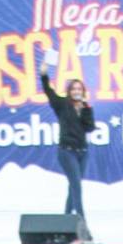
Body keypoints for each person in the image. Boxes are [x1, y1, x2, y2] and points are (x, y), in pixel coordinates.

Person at [40, 50, 96, 232]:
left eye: (80, 89)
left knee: (73, 187)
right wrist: (44, 72)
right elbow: (48, 90)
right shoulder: (62, 104)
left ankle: (64, 224)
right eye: (74, 89)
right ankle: (83, 227)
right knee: (77, 187)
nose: (77, 91)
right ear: (69, 91)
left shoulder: (86, 107)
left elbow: (89, 128)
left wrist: (84, 111)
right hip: (66, 151)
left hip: (83, 152)